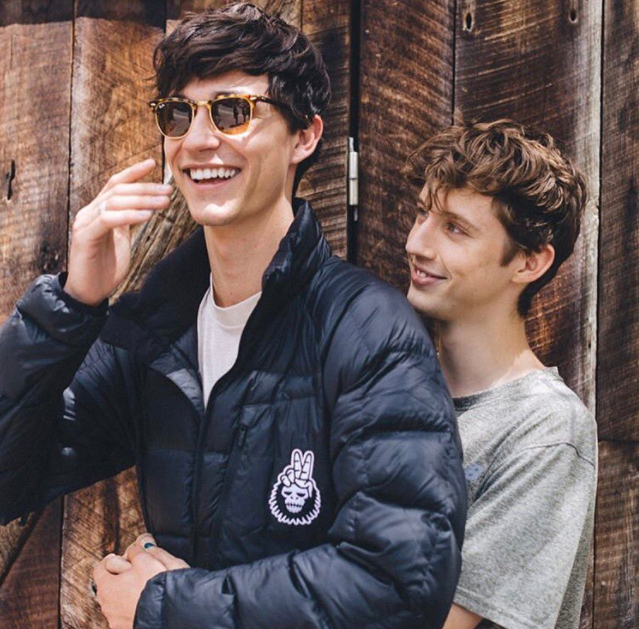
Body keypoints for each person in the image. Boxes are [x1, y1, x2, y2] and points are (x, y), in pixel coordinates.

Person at [0, 4, 466, 629]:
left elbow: (400, 582)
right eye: (178, 114)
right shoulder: (156, 331)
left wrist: (166, 605)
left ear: (304, 136)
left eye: (232, 111)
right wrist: (71, 305)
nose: (197, 141)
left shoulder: (368, 331)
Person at [402, 119, 598, 629]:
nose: (417, 243)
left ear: (529, 263)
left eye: (454, 228)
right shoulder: (389, 390)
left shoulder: (545, 427)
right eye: (422, 214)